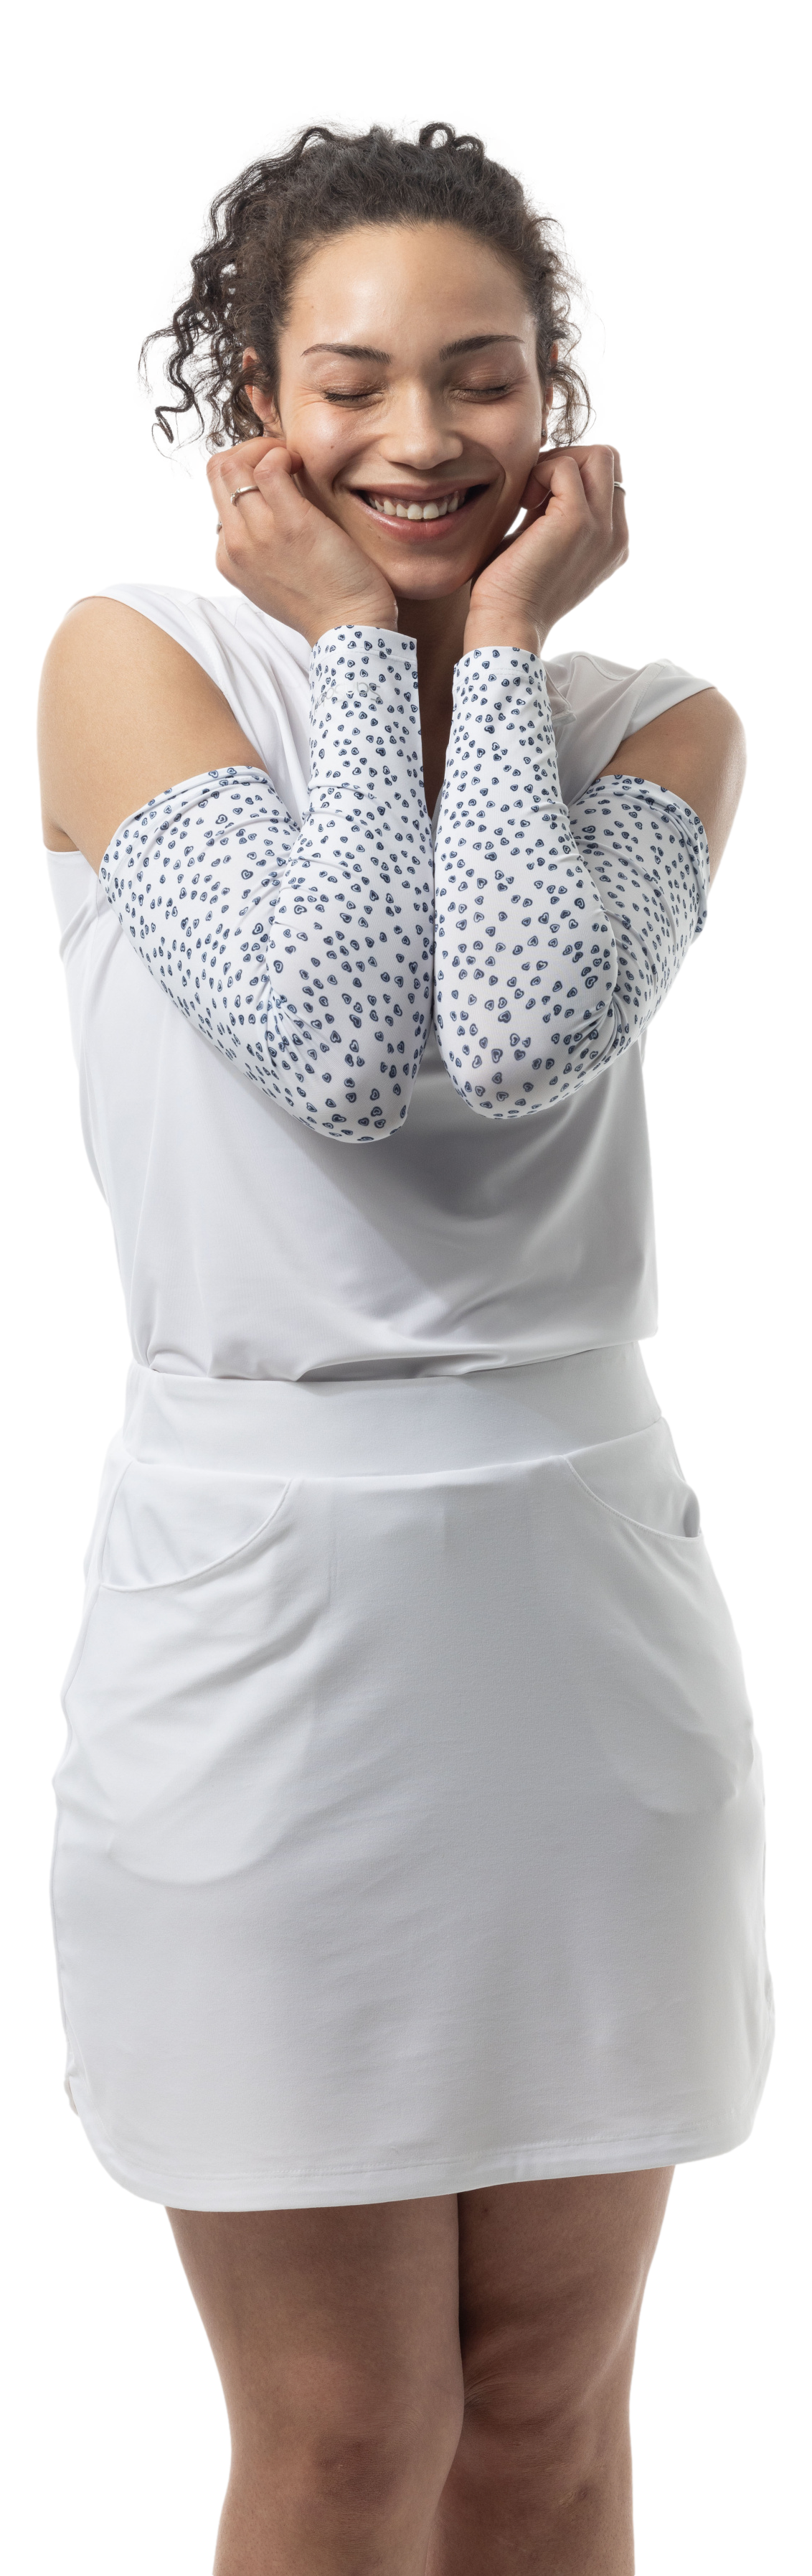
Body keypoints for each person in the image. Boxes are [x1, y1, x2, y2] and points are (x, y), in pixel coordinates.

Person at [37, 116, 773, 2576]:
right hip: (265, 1614)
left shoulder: (655, 724)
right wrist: (365, 647)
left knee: (549, 2405)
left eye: (485, 372)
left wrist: (499, 652)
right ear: (250, 403)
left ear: (562, 396)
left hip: (577, 1622)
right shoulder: (137, 663)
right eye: (354, 380)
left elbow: (524, 1026)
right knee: (349, 2434)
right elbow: (345, 1039)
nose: (423, 434)